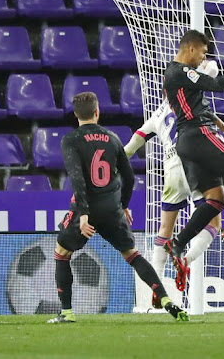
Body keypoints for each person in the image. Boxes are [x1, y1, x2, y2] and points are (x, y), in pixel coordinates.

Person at [49, 92, 187, 323]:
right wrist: (123, 206)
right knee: (132, 255)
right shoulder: (112, 138)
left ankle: (66, 312)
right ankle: (165, 299)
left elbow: (77, 178)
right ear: (97, 112)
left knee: (62, 254)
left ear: (76, 115)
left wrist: (83, 215)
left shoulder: (71, 140)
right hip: (112, 208)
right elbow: (130, 177)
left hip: (87, 209)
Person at [123, 98, 224, 301]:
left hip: (172, 170)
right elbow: (212, 69)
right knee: (214, 220)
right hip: (195, 162)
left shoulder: (155, 117)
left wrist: (114, 161)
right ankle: (187, 258)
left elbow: (131, 147)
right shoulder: (189, 102)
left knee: (165, 229)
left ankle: (157, 288)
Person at [162, 30, 224, 287]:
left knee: (215, 200)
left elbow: (194, 103)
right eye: (202, 52)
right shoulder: (180, 72)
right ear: (191, 49)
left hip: (187, 140)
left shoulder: (174, 75)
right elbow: (217, 85)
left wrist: (221, 124)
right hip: (199, 133)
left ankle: (178, 243)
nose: (203, 57)